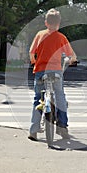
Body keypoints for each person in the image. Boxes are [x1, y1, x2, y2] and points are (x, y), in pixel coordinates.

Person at [28, 8, 77, 141]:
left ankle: (33, 130)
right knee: (60, 96)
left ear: (46, 23)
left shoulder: (40, 35)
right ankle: (62, 127)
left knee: (38, 98)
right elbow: (71, 55)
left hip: (40, 71)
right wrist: (72, 60)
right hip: (55, 71)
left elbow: (32, 53)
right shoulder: (61, 37)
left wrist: (34, 62)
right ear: (59, 23)